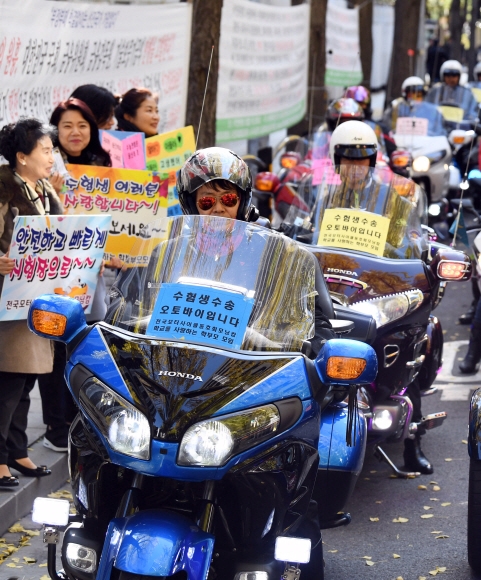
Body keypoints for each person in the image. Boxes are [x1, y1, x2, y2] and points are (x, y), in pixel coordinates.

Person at [328, 120, 433, 474]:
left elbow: (410, 245)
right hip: (332, 284)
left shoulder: (394, 199)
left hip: (377, 285)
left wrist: (399, 245)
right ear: (335, 160)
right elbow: (304, 236)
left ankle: (411, 444)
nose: (354, 167)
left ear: (372, 162)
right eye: (347, 160)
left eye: (362, 160)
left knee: (404, 350)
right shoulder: (324, 198)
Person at [176, 147, 336, 354]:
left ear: (242, 202)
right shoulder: (172, 253)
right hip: (178, 365)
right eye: (207, 201)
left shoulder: (278, 256)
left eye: (228, 199)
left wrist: (303, 347)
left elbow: (316, 326)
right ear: (191, 205)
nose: (218, 208)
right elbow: (136, 311)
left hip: (254, 369)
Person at [0, 119, 64, 485]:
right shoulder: (4, 187)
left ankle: (18, 452)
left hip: (34, 296)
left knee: (25, 382)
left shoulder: (41, 188)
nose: (51, 156)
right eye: (45, 150)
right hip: (8, 300)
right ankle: (1, 460)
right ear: (22, 157)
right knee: (9, 381)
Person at [50, 98, 111, 167]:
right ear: (55, 130)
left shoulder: (100, 162)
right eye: (68, 126)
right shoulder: (46, 165)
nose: (76, 132)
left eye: (82, 126)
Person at [382, 76, 446, 136]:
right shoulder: (396, 107)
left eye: (419, 96)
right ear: (405, 94)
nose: (415, 99)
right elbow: (387, 127)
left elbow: (439, 131)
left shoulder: (432, 110)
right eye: (411, 95)